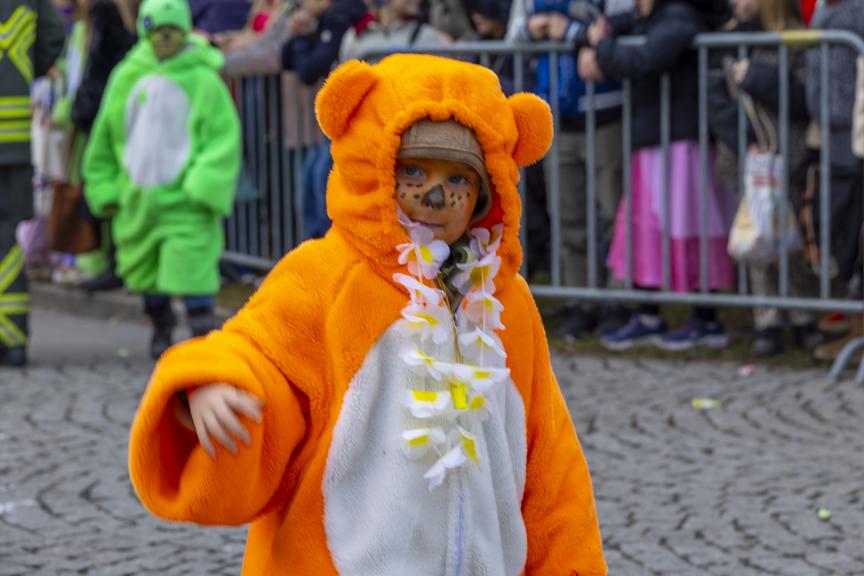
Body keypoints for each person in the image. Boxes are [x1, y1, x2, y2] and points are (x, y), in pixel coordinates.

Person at [127, 54, 607, 575]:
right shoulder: (327, 274)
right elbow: (259, 351)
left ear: (487, 193)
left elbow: (547, 463)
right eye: (415, 170)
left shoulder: (507, 305)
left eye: (458, 179)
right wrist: (215, 385)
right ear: (379, 168)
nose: (435, 193)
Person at [83, 0, 241, 359]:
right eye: (158, 32)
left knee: (193, 266)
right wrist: (105, 186)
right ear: (145, 32)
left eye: (172, 32)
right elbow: (105, 137)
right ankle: (161, 324)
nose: (165, 39)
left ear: (184, 32)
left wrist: (204, 183)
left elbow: (222, 137)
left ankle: (201, 331)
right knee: (144, 271)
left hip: (186, 200)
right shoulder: (127, 76)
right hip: (137, 198)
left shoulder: (202, 79)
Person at [580, 0, 736, 351]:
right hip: (654, 137)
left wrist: (601, 47)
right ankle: (649, 314)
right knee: (645, 230)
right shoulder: (648, 16)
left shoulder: (680, 14)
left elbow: (645, 59)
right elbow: (606, 28)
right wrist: (591, 40)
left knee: (690, 227)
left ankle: (706, 319)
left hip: (681, 141)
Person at [0, 0, 65, 366]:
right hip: (12, 143)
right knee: (7, 237)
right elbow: (53, 38)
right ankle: (12, 339)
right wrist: (23, 72)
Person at [805, 0, 864, 361]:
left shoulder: (855, 8)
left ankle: (859, 331)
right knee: (840, 223)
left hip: (852, 128)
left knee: (852, 224)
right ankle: (854, 323)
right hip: (830, 125)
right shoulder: (829, 7)